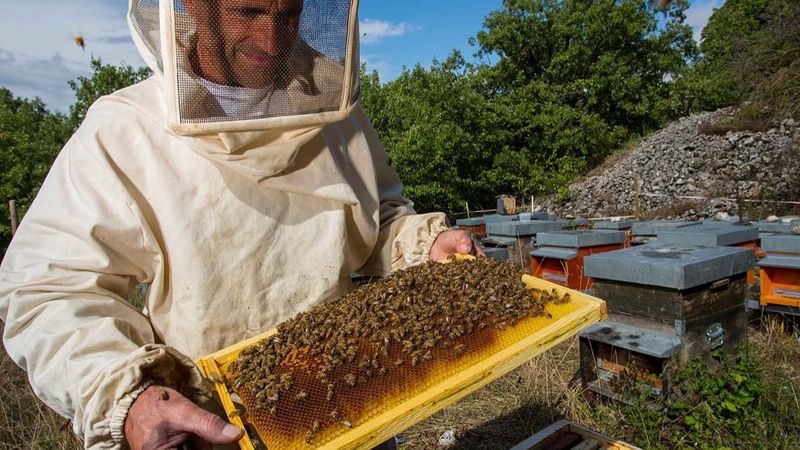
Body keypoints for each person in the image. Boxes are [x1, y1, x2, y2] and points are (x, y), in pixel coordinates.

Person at [0, 0, 480, 448]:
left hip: (354, 394)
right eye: (248, 12)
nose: (272, 39)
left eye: (288, 14)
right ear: (193, 5)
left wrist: (425, 242)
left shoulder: (334, 110)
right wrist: (127, 397)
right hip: (211, 425)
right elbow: (47, 289)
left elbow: (378, 219)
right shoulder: (125, 131)